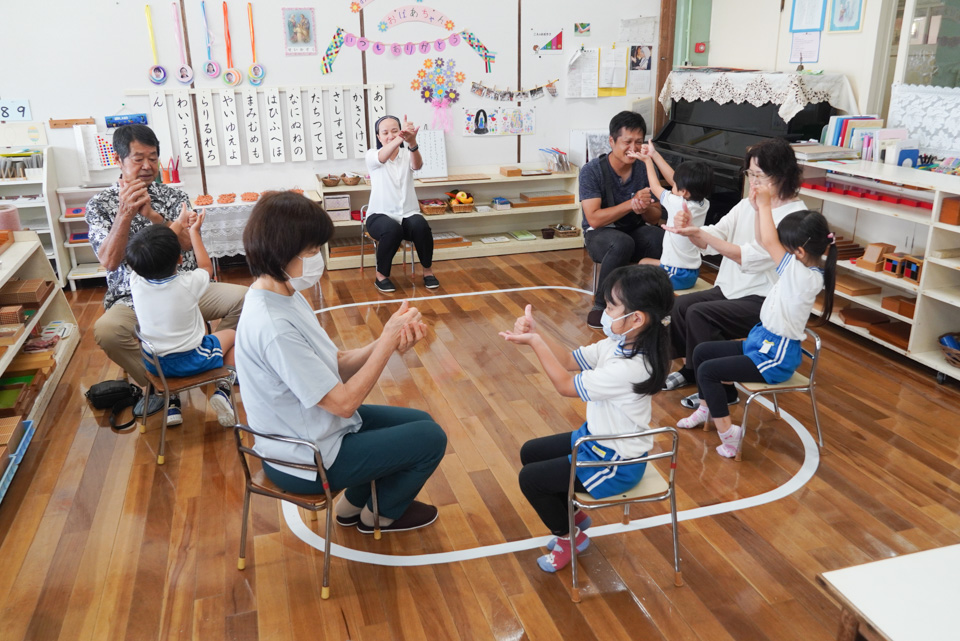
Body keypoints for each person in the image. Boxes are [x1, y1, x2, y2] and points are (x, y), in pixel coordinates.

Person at [235, 191, 447, 534]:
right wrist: (387, 342)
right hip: (304, 459)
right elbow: (344, 404)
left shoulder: (282, 294)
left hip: (313, 432)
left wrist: (387, 341)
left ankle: (354, 508)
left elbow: (336, 362)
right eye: (311, 250)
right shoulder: (272, 324)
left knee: (419, 421)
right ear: (282, 250)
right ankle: (381, 515)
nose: (317, 258)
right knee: (430, 438)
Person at [500, 265, 673, 572]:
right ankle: (575, 516)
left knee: (532, 480)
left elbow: (566, 386)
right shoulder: (619, 343)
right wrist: (536, 332)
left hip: (615, 463)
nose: (604, 313)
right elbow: (569, 361)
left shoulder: (631, 367)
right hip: (594, 440)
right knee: (531, 452)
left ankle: (569, 537)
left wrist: (535, 344)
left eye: (610, 306)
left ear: (636, 318)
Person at [87, 124, 247, 424]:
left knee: (246, 298)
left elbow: (185, 243)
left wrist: (153, 216)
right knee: (107, 331)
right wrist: (125, 213)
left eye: (153, 157)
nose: (148, 166)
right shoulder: (100, 205)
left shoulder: (173, 196)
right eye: (138, 158)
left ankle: (213, 369)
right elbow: (109, 262)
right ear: (118, 159)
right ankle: (163, 387)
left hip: (185, 287)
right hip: (133, 299)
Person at [677, 182, 837, 458]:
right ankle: (707, 409)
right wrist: (756, 207)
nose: (778, 252)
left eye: (785, 248)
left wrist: (764, 205)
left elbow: (768, 241)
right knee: (703, 352)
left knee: (708, 371)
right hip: (760, 341)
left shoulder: (803, 276)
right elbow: (767, 242)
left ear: (798, 251)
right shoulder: (799, 268)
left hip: (775, 356)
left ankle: (729, 434)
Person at [662, 137, 808, 410]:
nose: (753, 182)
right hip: (732, 289)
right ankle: (693, 371)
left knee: (700, 313)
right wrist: (693, 228)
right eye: (750, 174)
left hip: (764, 300)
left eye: (759, 175)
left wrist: (700, 233)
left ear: (783, 176)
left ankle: (723, 389)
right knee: (681, 305)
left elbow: (749, 255)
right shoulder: (747, 203)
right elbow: (717, 232)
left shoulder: (795, 217)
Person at [126, 206, 236, 426]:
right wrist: (193, 230)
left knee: (168, 346)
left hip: (155, 365)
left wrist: (178, 222)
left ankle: (172, 404)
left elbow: (150, 252)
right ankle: (223, 390)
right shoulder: (188, 284)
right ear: (179, 259)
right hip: (193, 360)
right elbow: (206, 267)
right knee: (232, 335)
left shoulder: (136, 281)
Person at [581, 111, 663, 329]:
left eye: (638, 142)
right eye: (627, 142)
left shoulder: (645, 167)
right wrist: (630, 203)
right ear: (612, 141)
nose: (633, 149)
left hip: (634, 229)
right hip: (599, 235)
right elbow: (594, 219)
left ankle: (652, 303)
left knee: (660, 237)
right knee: (621, 243)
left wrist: (644, 208)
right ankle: (601, 305)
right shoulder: (592, 171)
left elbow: (655, 217)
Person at [365, 114, 439, 293]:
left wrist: (412, 142)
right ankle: (381, 276)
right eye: (385, 132)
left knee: (421, 225)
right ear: (378, 137)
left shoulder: (407, 154)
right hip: (378, 216)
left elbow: (417, 166)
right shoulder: (372, 155)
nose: (390, 135)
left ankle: (428, 272)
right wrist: (401, 137)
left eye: (395, 130)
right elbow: (383, 157)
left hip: (407, 213)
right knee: (392, 229)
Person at [631, 141, 713, 290]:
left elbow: (655, 187)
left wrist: (648, 161)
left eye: (675, 184)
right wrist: (654, 154)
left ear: (684, 192)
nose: (672, 184)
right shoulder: (703, 203)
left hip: (677, 273)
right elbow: (675, 180)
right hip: (691, 270)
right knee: (643, 262)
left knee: (640, 282)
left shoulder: (678, 204)